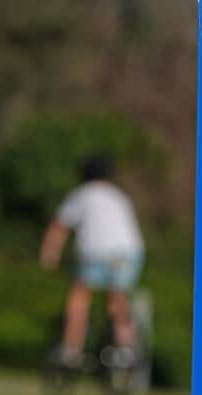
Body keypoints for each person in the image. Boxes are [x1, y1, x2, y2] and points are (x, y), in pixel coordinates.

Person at [39, 154, 146, 369]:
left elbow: (59, 227)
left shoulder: (81, 195)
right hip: (128, 253)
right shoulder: (118, 196)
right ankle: (126, 350)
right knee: (118, 297)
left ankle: (71, 350)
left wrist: (50, 254)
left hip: (95, 252)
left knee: (80, 296)